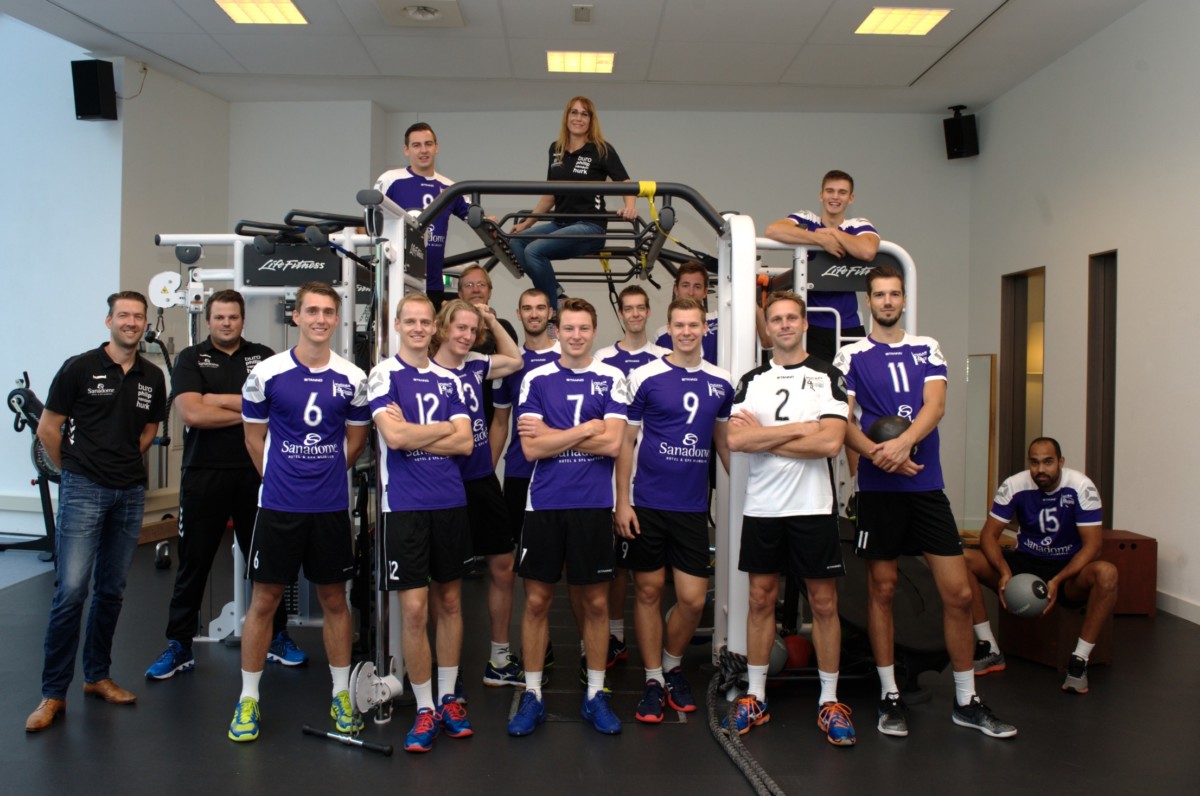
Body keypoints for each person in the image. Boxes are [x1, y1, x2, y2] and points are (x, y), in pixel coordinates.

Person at [833, 264, 1016, 739]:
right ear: (868, 301)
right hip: (878, 491)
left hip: (926, 488)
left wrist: (903, 444)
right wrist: (879, 454)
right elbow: (842, 420)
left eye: (894, 294)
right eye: (879, 294)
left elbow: (935, 405)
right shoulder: (850, 354)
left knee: (958, 593)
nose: (887, 301)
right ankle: (889, 694)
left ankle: (966, 699)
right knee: (882, 591)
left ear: (903, 300)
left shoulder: (926, 347)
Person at [228, 282, 371, 743]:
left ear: (337, 318)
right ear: (297, 316)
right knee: (264, 601)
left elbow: (355, 442)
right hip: (278, 506)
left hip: (329, 508)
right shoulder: (266, 373)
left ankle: (340, 693)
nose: (320, 319)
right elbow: (253, 438)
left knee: (334, 601)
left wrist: (322, 474)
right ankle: (248, 698)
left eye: (328, 312)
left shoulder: (353, 377)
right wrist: (280, 477)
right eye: (312, 311)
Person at [25, 291, 166, 733]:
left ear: (145, 323)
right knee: (71, 591)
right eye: (123, 315)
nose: (131, 322)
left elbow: (149, 429)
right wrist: (73, 471)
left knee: (111, 590)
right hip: (83, 489)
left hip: (129, 492)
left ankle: (97, 676)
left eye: (138, 316)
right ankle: (53, 693)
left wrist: (122, 460)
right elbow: (49, 428)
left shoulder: (152, 376)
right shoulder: (79, 368)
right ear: (109, 321)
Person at [145, 290, 304, 682]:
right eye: (219, 317)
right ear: (209, 320)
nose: (226, 323)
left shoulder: (264, 357)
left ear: (242, 320)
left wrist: (216, 399)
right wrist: (249, 410)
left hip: (256, 473)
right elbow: (193, 414)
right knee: (194, 562)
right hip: (204, 475)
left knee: (266, 563)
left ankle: (276, 636)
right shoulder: (190, 358)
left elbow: (278, 409)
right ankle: (179, 644)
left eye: (233, 317)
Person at [724, 291, 854, 745]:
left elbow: (830, 444)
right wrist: (800, 428)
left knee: (824, 604)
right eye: (775, 319)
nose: (783, 325)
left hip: (813, 507)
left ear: (804, 323)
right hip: (763, 507)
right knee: (760, 600)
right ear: (769, 327)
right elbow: (736, 442)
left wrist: (764, 437)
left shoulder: (828, 376)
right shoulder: (751, 381)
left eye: (790, 318)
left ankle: (829, 700)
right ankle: (756, 695)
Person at [506, 298, 628, 737]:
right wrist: (586, 429)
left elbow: (613, 444)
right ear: (557, 332)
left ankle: (595, 693)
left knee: (595, 603)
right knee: (537, 602)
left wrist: (556, 436)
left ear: (594, 331)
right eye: (569, 328)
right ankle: (533, 695)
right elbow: (530, 448)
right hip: (544, 504)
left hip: (593, 505)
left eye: (584, 328)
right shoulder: (536, 378)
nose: (576, 336)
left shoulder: (612, 378)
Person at [615, 297, 732, 724]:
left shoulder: (722, 381)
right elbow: (625, 442)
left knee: (692, 600)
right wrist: (622, 501)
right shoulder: (645, 376)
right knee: (647, 592)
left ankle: (671, 665)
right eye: (679, 325)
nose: (686, 332)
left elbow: (723, 443)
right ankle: (652, 680)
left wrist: (748, 495)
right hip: (646, 503)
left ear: (704, 329)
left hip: (691, 506)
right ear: (668, 328)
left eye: (693, 325)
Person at [368, 293, 476, 753]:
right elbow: (393, 437)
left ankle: (448, 698)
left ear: (435, 328)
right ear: (397, 325)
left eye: (424, 321)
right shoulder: (383, 374)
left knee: (449, 601)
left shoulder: (451, 380)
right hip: (404, 506)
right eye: (409, 321)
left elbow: (466, 443)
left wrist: (416, 433)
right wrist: (441, 430)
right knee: (414, 610)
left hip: (449, 502)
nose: (417, 328)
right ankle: (425, 706)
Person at [965, 437, 1116, 694]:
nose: (1040, 469)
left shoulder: (1081, 487)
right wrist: (1004, 571)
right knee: (964, 559)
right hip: (1025, 562)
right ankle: (989, 647)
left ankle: (1079, 660)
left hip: (1067, 569)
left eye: (1048, 462)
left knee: (1107, 573)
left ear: (1060, 462)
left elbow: (1093, 546)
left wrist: (1058, 579)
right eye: (1034, 463)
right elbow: (988, 536)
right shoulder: (1014, 485)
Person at [428, 300, 525, 690]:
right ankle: (446, 669)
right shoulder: (425, 370)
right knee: (445, 580)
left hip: (482, 479)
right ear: (442, 328)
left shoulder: (475, 365)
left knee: (503, 565)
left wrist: (489, 319)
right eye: (460, 328)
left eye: (472, 330)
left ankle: (499, 659)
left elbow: (515, 359)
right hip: (445, 482)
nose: (467, 336)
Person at [592, 285, 670, 671]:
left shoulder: (663, 359)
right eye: (629, 308)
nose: (635, 314)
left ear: (648, 312)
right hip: (605, 469)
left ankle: (644, 643)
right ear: (620, 313)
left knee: (640, 564)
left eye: (641, 308)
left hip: (648, 473)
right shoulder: (603, 359)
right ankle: (615, 636)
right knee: (612, 563)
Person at [508, 96, 638, 310]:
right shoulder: (556, 149)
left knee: (534, 251)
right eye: (574, 112)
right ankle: (556, 294)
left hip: (590, 226)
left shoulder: (601, 149)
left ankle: (553, 310)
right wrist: (527, 223)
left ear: (591, 120)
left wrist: (630, 206)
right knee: (517, 241)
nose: (578, 118)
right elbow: (550, 194)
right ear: (566, 116)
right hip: (560, 224)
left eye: (584, 114)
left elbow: (626, 183)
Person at [764, 169, 880, 365]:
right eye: (830, 191)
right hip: (811, 324)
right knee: (812, 379)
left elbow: (868, 250)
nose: (835, 197)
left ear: (851, 198)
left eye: (842, 192)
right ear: (821, 195)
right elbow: (773, 230)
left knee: (852, 380)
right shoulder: (807, 218)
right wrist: (821, 240)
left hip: (848, 322)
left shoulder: (857, 224)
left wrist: (834, 233)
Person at [490, 288, 560, 575]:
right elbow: (500, 423)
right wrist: (487, 473)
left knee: (561, 557)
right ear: (519, 314)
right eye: (528, 308)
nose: (534, 314)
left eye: (540, 308)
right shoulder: (510, 363)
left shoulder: (568, 355)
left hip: (560, 469)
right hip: (520, 470)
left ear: (550, 313)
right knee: (514, 558)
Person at [375, 122, 471, 308]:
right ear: (406, 150)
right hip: (395, 280)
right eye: (416, 145)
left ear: (436, 147)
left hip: (432, 284)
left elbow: (474, 217)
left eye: (428, 144)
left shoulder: (451, 187)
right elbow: (370, 221)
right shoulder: (390, 179)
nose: (423, 150)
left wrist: (487, 220)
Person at [457, 263, 519, 426]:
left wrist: (490, 321)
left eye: (481, 284)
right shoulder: (448, 328)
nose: (475, 290)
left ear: (489, 292)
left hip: (490, 415)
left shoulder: (503, 327)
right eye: (469, 285)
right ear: (460, 293)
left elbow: (513, 363)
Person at [653, 262, 720, 365]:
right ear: (676, 289)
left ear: (705, 292)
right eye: (685, 285)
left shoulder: (719, 320)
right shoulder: (662, 335)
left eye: (697, 287)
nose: (691, 292)